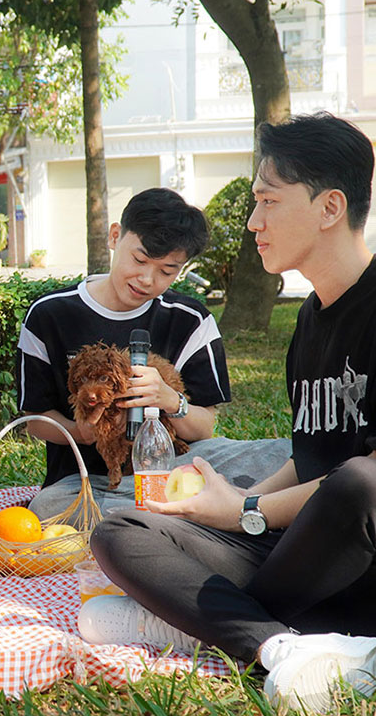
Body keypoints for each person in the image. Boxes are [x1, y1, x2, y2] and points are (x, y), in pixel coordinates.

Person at [80, 113, 376, 714]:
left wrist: (247, 513)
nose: (253, 221)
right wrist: (234, 502)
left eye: (267, 201)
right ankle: (281, 646)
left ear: (330, 207)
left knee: (365, 480)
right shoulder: (309, 319)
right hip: (298, 555)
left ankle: (189, 623)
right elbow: (310, 452)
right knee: (121, 531)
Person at [16, 187, 263, 519]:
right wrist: (83, 432)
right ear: (115, 236)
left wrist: (169, 399)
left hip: (173, 473)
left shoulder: (190, 320)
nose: (147, 279)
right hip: (88, 483)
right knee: (48, 507)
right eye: (140, 260)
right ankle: (181, 515)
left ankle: (156, 517)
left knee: (274, 455)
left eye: (166, 271)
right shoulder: (50, 314)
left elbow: (205, 428)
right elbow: (35, 420)